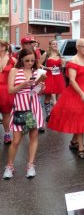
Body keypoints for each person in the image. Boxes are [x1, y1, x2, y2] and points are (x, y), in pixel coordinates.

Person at [48, 39, 84, 159]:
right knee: (80, 120)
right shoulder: (73, 61)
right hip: (76, 93)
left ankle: (74, 142)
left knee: (81, 118)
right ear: (78, 47)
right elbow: (72, 80)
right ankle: (80, 149)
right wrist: (82, 94)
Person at [3, 48, 45, 179]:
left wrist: (41, 87)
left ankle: (30, 165)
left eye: (33, 60)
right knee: (16, 140)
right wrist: (24, 84)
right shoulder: (15, 71)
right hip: (20, 108)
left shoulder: (37, 71)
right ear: (21, 58)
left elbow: (38, 92)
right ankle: (9, 166)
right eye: (27, 60)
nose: (30, 63)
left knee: (33, 137)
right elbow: (10, 90)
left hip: (34, 107)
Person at [39, 40, 66, 121]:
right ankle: (48, 114)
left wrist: (63, 64)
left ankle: (57, 114)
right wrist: (46, 67)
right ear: (50, 45)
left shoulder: (59, 54)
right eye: (53, 44)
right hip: (49, 76)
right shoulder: (46, 54)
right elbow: (38, 64)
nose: (55, 45)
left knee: (59, 98)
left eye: (56, 44)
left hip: (58, 76)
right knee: (47, 96)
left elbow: (62, 66)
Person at [0, 40, 16, 145]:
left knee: (6, 114)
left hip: (6, 90)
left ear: (6, 47)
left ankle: (6, 133)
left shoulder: (12, 59)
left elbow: (19, 74)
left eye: (1, 45)